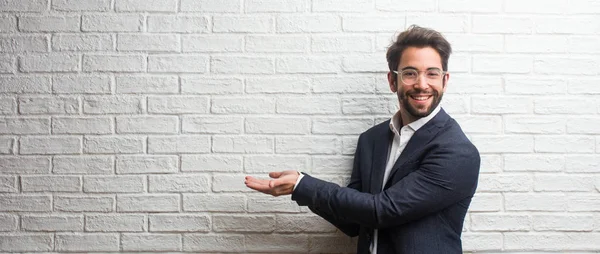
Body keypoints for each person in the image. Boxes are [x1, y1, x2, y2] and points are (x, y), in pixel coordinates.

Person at [245, 25, 480, 254]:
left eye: (432, 73)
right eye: (410, 73)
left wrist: (303, 185)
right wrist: (297, 189)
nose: (421, 84)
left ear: (445, 81)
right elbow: (353, 222)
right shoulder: (371, 140)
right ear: (392, 81)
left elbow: (383, 210)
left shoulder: (457, 152)